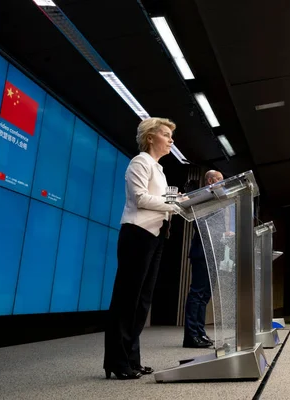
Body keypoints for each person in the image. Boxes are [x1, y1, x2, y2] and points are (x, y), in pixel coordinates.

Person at [103, 117, 177, 380]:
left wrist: (177, 203)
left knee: (142, 301)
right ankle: (116, 361)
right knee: (127, 299)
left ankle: (132, 360)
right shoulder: (140, 162)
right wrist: (173, 204)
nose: (171, 140)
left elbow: (160, 200)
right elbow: (140, 198)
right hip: (137, 233)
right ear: (150, 137)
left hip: (156, 236)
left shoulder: (159, 169)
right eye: (166, 135)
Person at [183, 170, 225, 348]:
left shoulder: (216, 200)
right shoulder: (201, 197)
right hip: (202, 252)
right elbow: (199, 223)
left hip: (214, 252)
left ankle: (200, 332)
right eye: (220, 180)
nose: (223, 183)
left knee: (205, 295)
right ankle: (191, 335)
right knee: (197, 294)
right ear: (210, 181)